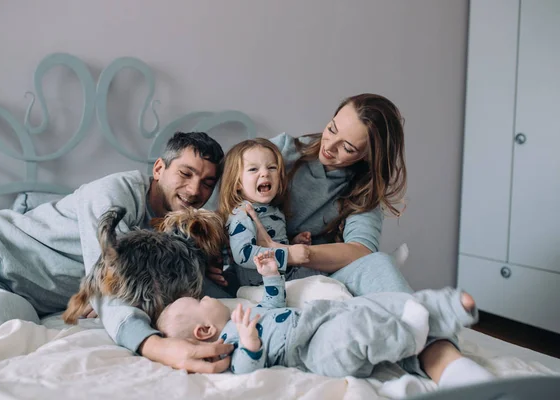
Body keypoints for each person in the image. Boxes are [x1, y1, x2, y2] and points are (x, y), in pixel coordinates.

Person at [206, 94, 494, 388]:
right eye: (332, 129)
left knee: (377, 264)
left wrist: (297, 253)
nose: (329, 147)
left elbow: (360, 249)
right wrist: (212, 252)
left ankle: (447, 364)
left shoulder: (362, 190)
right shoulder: (280, 151)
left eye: (347, 147)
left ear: (368, 155)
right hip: (250, 278)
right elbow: (217, 205)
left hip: (310, 277)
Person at [0, 131, 234, 373]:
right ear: (160, 169)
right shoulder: (114, 193)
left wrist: (210, 265)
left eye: (208, 182)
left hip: (10, 293)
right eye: (185, 174)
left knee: (2, 320)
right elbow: (111, 281)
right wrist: (154, 345)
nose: (195, 189)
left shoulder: (178, 235)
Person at [158, 250, 479, 378]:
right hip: (308, 350)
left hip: (317, 316)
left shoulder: (245, 312)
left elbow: (274, 303)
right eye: (199, 301)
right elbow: (243, 370)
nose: (204, 296)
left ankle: (445, 306)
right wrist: (250, 341)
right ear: (203, 331)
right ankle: (410, 337)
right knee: (354, 331)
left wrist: (271, 274)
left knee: (381, 302)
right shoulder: (230, 339)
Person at [216, 138, 311, 294]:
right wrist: (287, 255)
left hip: (284, 276)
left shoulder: (273, 210)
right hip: (260, 287)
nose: (265, 173)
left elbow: (270, 243)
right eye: (253, 169)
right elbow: (243, 254)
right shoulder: (242, 213)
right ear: (237, 183)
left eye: (272, 168)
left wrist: (292, 243)